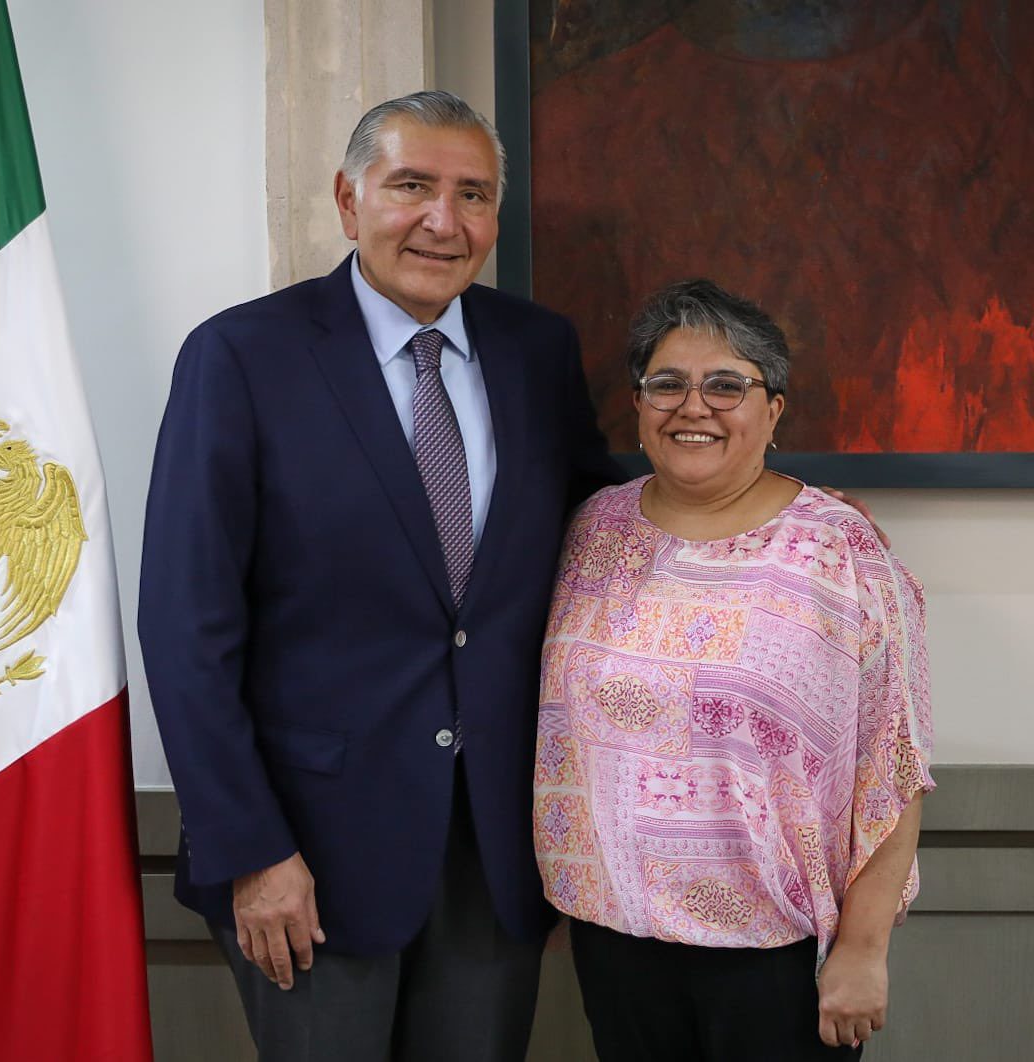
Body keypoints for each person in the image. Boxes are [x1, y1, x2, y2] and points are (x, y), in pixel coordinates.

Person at [138, 91, 619, 1061]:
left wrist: (775, 516)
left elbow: (602, 528)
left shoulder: (538, 351)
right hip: (306, 853)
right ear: (348, 200)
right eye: (412, 186)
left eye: (472, 194)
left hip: (492, 851)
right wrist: (251, 849)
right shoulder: (241, 356)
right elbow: (185, 629)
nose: (444, 220)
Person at [534, 279, 934, 1060]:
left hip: (773, 953)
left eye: (726, 385)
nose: (695, 406)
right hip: (613, 936)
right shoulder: (589, 530)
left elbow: (894, 765)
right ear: (639, 404)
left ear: (773, 409)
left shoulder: (841, 551)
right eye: (668, 383)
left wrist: (863, 949)